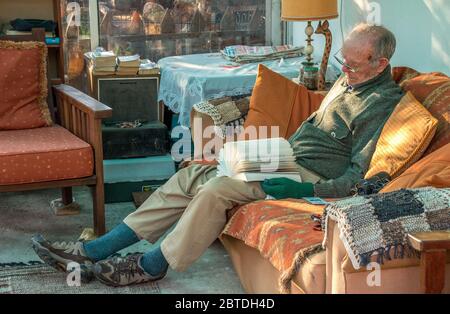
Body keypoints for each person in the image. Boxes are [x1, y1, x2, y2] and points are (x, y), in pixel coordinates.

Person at [32, 23, 404, 287]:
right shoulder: (347, 80)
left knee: (217, 190)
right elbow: (310, 131)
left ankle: (150, 265)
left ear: (380, 64)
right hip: (285, 156)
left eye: (353, 65)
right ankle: (95, 250)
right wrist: (240, 154)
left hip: (307, 176)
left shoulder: (382, 103)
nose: (345, 69)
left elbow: (359, 176)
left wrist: (299, 189)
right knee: (189, 175)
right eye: (344, 60)